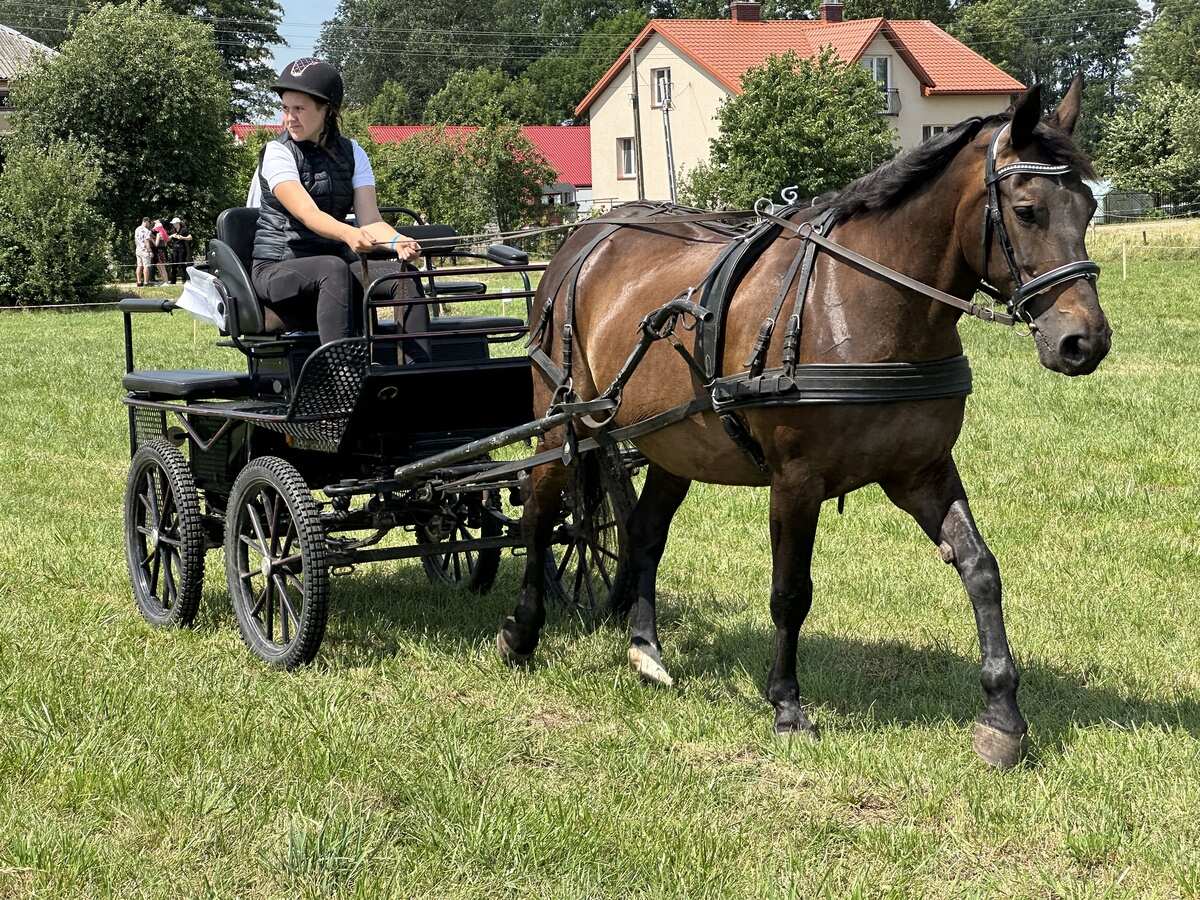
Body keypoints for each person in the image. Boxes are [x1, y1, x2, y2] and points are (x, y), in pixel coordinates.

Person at [247, 58, 424, 348]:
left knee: (403, 276)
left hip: (332, 266)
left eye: (299, 109)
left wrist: (397, 241)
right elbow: (307, 213)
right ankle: (341, 374)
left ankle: (415, 375)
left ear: (327, 110)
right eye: (285, 109)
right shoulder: (277, 152)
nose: (290, 118)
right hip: (277, 267)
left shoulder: (354, 153)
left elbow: (370, 220)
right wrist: (348, 233)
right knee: (334, 267)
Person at [168, 217, 193, 284]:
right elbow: (167, 239)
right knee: (174, 265)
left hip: (182, 249)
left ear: (178, 223)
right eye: (173, 224)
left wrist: (182, 238)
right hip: (174, 249)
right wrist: (172, 236)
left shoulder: (184, 230)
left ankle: (184, 280)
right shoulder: (173, 230)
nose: (173, 225)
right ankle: (173, 281)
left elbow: (190, 237)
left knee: (182, 264)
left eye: (174, 223)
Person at [134, 217, 153, 287]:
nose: (149, 224)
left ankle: (139, 282)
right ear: (146, 221)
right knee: (146, 266)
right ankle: (146, 282)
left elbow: (136, 240)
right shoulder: (146, 231)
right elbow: (146, 241)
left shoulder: (137, 229)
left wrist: (138, 247)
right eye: (149, 222)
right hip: (145, 250)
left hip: (138, 249)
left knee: (139, 266)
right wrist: (150, 251)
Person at [151, 219, 171, 283]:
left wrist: (151, 239)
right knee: (161, 267)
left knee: (161, 267)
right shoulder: (164, 233)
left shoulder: (158, 234)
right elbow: (165, 243)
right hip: (163, 250)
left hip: (159, 251)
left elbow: (156, 244)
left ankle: (166, 281)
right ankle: (165, 281)